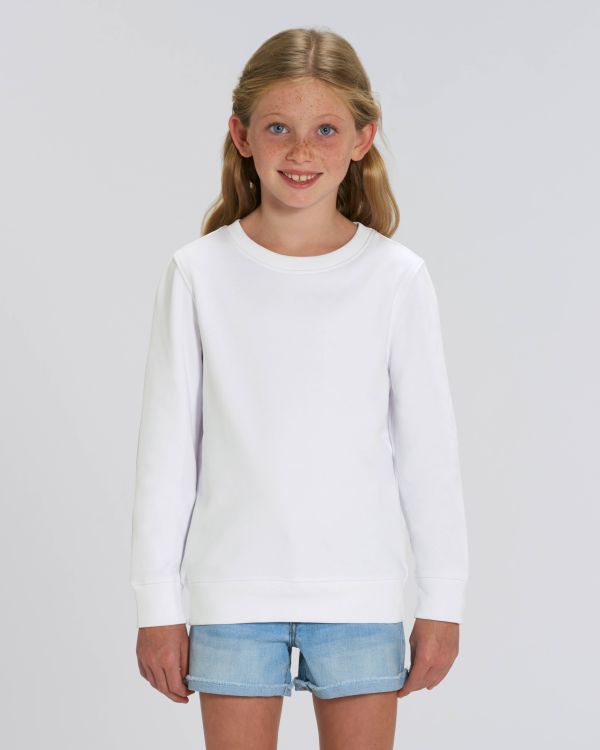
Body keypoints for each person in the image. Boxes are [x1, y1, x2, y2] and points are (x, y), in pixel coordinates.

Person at [130, 26, 468, 749]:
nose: (302, 151)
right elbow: (167, 455)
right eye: (278, 127)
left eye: (326, 130)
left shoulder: (396, 278)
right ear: (242, 135)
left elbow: (429, 455)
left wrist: (443, 600)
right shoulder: (197, 274)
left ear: (363, 138)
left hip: (360, 595)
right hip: (231, 599)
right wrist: (157, 605)